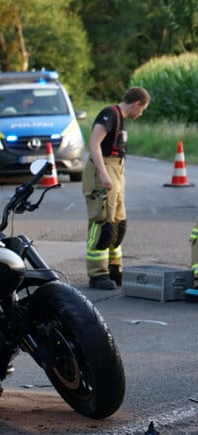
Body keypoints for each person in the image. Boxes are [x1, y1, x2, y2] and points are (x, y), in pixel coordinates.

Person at [83, 87, 151, 290]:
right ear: (137, 104)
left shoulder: (121, 119)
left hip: (117, 170)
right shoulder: (110, 114)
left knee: (118, 224)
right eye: (143, 109)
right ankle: (97, 274)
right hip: (104, 169)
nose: (141, 113)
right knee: (103, 222)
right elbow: (94, 143)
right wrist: (104, 175)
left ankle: (114, 269)